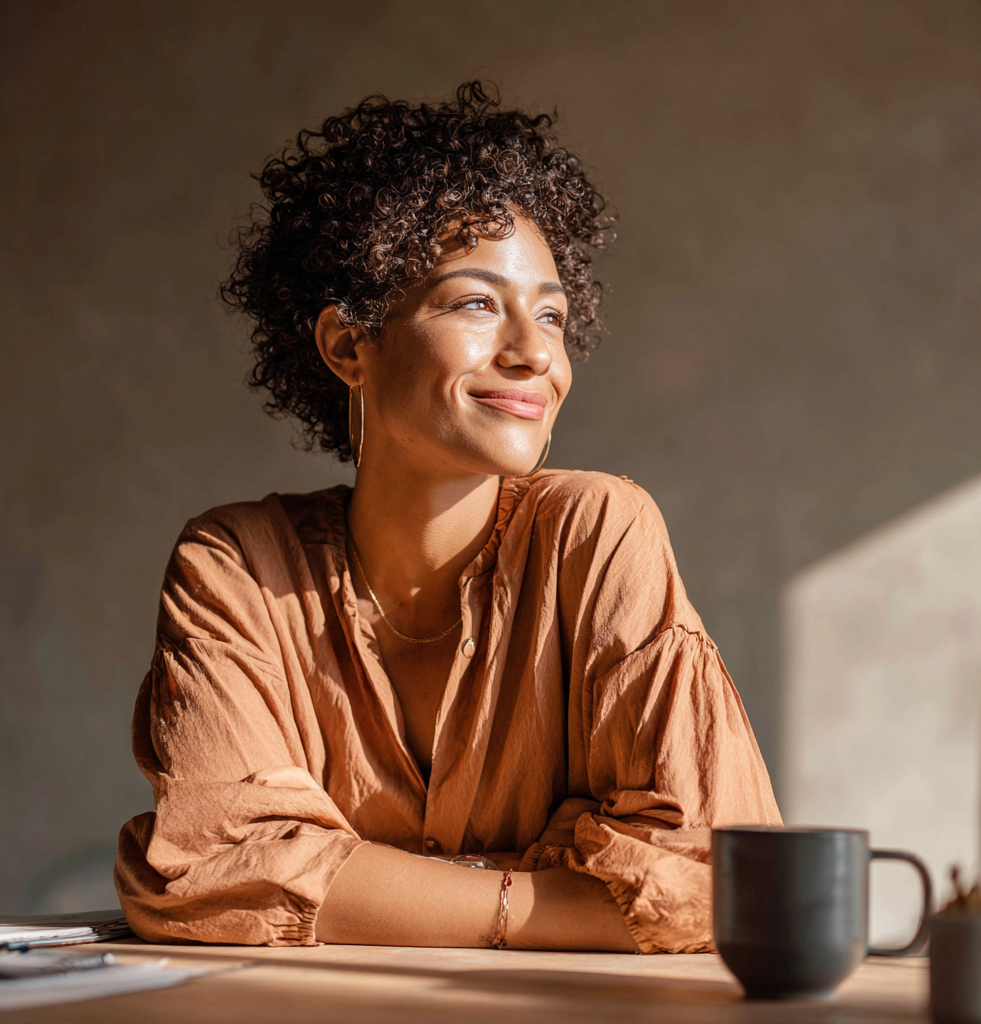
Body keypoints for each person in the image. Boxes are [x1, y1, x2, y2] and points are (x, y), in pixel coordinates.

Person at [114, 81, 781, 954]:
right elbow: (210, 873)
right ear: (349, 345)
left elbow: (713, 878)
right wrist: (547, 888)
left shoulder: (598, 531)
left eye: (552, 314)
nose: (536, 352)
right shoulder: (236, 565)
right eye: (476, 304)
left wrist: (346, 876)